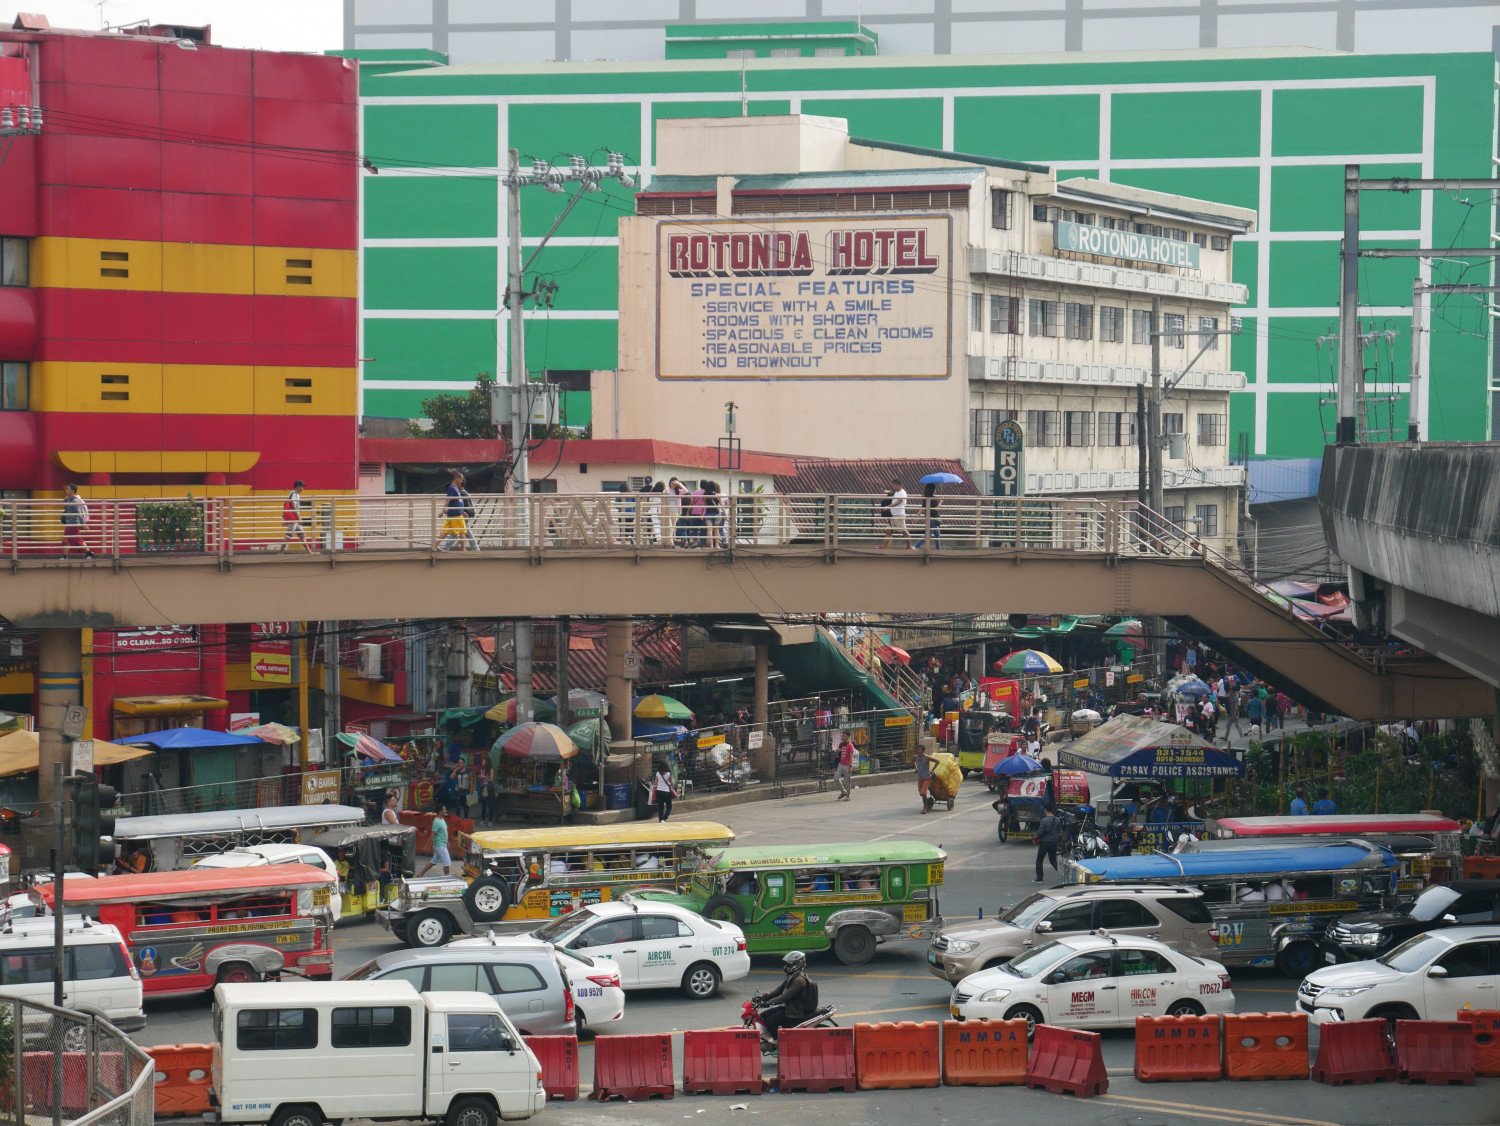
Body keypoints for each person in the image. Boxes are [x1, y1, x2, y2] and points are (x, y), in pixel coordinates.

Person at [758, 950, 811, 1042]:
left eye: (790, 964)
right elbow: (779, 990)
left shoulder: (799, 980)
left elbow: (785, 997)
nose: (787, 966)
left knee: (771, 1021)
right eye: (787, 964)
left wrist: (768, 1003)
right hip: (789, 1007)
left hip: (795, 1011)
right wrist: (763, 997)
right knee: (763, 1016)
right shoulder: (792, 976)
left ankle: (778, 1043)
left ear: (798, 964)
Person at [436, 471, 478, 552]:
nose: (461, 481)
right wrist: (443, 510)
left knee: (445, 532)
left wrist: (462, 511)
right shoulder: (452, 488)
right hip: (456, 515)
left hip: (455, 514)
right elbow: (447, 500)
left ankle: (435, 546)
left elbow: (457, 502)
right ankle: (463, 549)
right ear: (456, 478)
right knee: (462, 531)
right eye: (461, 479)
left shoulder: (456, 488)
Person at [281, 479, 316, 552]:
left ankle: (309, 551)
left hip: (294, 518)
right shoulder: (294, 494)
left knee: (302, 535)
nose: (303, 488)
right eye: (302, 486)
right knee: (288, 536)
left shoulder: (295, 494)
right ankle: (280, 552)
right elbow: (293, 506)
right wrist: (299, 518)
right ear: (298, 486)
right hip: (293, 519)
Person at [61, 483, 94, 559]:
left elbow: (78, 513)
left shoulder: (75, 501)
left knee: (65, 539)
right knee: (78, 540)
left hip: (73, 524)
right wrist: (66, 499)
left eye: (68, 489)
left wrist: (83, 524)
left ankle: (65, 556)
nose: (66, 490)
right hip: (70, 523)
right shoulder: (69, 499)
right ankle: (89, 553)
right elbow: (65, 507)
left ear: (72, 491)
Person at [879, 479, 911, 549]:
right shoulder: (896, 492)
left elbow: (898, 502)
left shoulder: (902, 493)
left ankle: (909, 546)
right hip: (893, 514)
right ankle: (884, 546)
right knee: (889, 530)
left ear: (898, 485)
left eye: (894, 485)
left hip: (898, 514)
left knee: (904, 531)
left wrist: (888, 507)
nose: (893, 486)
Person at [420, 807, 451, 876]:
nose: (445, 810)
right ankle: (447, 877)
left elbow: (442, 832)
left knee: (433, 861)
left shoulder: (442, 819)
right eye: (444, 809)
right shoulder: (436, 822)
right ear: (440, 812)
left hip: (442, 844)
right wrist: (426, 846)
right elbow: (432, 835)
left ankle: (421, 874)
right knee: (447, 862)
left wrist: (446, 841)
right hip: (440, 846)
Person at [1035, 804, 1061, 882]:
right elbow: (1060, 832)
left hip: (1045, 842)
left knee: (1039, 860)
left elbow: (1040, 832)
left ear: (1045, 810)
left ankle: (1039, 878)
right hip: (1054, 842)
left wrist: (1035, 838)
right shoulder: (1057, 819)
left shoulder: (1044, 820)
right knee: (1053, 860)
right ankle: (1063, 874)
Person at [913, 483, 942, 550]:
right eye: (935, 489)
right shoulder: (933, 498)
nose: (935, 490)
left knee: (937, 533)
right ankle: (916, 546)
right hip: (934, 518)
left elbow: (922, 508)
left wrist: (917, 517)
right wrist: (941, 501)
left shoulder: (926, 498)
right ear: (932, 490)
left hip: (931, 518)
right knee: (929, 534)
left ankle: (938, 549)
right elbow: (937, 508)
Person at [833, 731, 856, 801]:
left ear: (848, 737)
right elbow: (839, 751)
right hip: (841, 764)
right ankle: (843, 792)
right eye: (842, 735)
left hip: (847, 765)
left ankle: (848, 796)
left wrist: (850, 766)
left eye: (844, 736)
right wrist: (835, 749)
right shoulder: (842, 744)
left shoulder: (850, 745)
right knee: (836, 778)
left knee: (847, 781)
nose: (842, 737)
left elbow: (851, 757)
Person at [914, 744, 937, 812]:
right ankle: (927, 804)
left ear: (923, 750)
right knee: (921, 793)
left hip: (926, 777)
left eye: (920, 749)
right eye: (918, 749)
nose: (919, 751)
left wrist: (932, 770)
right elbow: (914, 762)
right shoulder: (916, 757)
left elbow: (937, 761)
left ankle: (925, 807)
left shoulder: (927, 757)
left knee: (923, 792)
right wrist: (916, 768)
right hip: (920, 778)